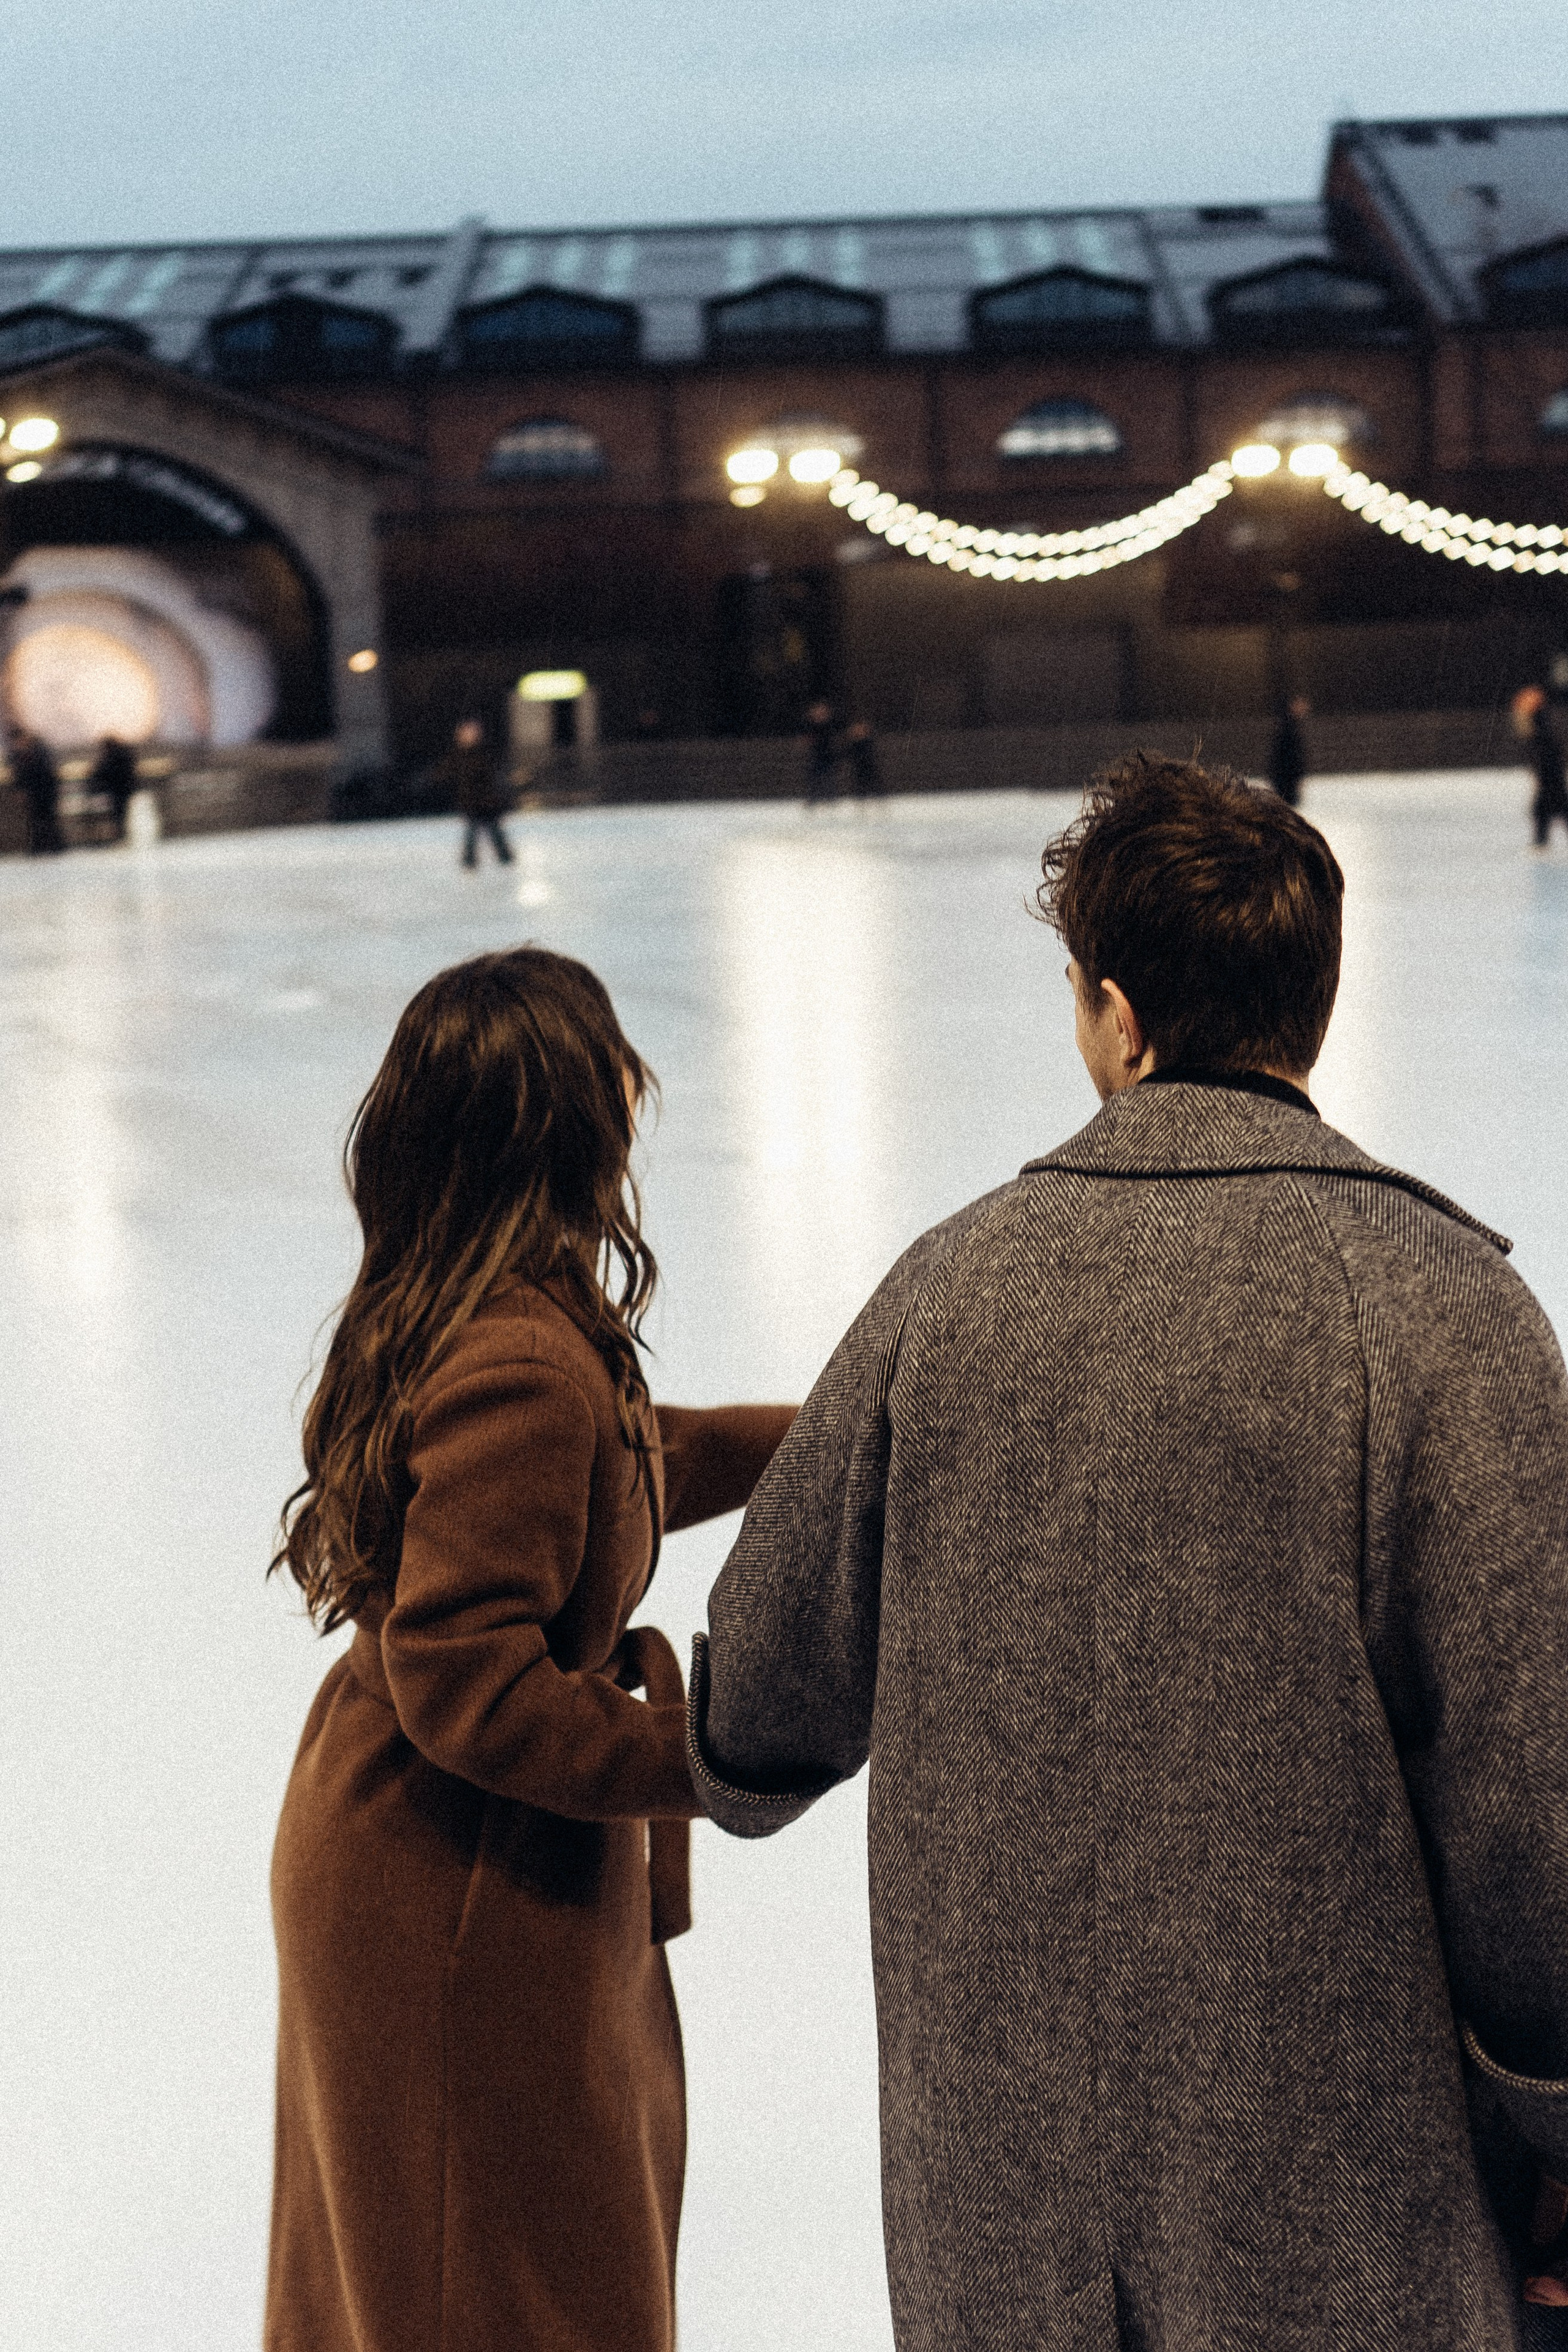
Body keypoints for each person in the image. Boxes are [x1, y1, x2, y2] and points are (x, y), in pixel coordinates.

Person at [688, 753, 1568, 2350]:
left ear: (1109, 1009)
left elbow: (757, 1697)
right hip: (1338, 2218)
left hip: (1004, 2229)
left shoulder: (944, 1294)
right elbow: (1536, 1817)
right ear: (1313, 1000)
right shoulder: (1448, 1313)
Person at [265, 948, 794, 2352]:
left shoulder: (505, 1312)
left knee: (476, 2268)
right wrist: (707, 1753)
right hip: (454, 1884)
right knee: (491, 2287)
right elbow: (467, 1678)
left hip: (457, 1855)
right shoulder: (514, 1354)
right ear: (567, 1123)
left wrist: (824, 1437)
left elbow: (630, 1464)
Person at [437, 716, 513, 867]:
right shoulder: (458, 756)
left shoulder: (484, 754)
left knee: (493, 830)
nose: (469, 736)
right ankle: (470, 860)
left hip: (486, 801)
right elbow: (446, 773)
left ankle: (504, 857)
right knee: (472, 832)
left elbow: (492, 777)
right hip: (470, 802)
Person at [1517, 687, 1568, 849]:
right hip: (1551, 776)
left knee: (1546, 808)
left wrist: (1543, 776)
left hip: (1550, 777)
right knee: (1550, 809)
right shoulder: (1540, 730)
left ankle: (1541, 842)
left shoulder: (1538, 732)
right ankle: (1541, 841)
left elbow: (1546, 756)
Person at [9, 726, 64, 854]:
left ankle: (54, 846)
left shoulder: (37, 751)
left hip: (44, 790)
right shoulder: (24, 753)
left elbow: (44, 772)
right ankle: (41, 846)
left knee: (47, 818)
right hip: (36, 792)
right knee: (37, 819)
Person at [88, 734, 138, 844]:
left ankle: (120, 834)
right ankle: (123, 834)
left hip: (116, 790)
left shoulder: (109, 757)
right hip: (125, 788)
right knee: (123, 812)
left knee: (118, 813)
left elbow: (100, 772)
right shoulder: (125, 753)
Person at [1267, 691, 1310, 806]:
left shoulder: (1289, 726)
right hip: (1286, 780)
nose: (1305, 708)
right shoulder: (1288, 728)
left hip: (1286, 779)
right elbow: (1287, 755)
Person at [804, 699, 839, 802]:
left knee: (829, 776)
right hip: (816, 755)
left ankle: (830, 797)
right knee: (814, 776)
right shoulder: (811, 725)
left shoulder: (830, 725)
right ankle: (814, 796)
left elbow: (831, 740)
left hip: (828, 754)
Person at [845, 718, 884, 799]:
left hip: (870, 773)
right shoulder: (851, 746)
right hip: (858, 776)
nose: (859, 731)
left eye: (862, 729)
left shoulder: (870, 744)